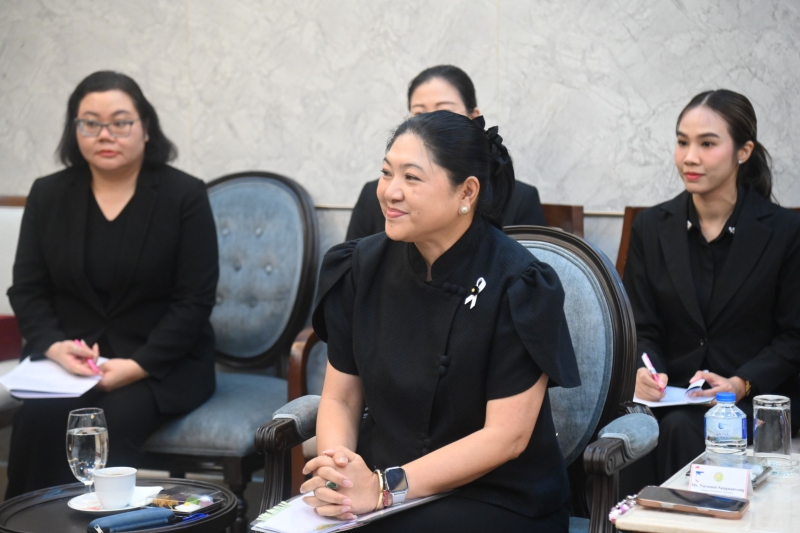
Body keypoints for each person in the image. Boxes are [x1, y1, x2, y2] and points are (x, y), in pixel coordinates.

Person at [301, 110, 580, 531]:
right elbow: (340, 398)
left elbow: (507, 437)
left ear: (467, 191)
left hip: (497, 495)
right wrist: (339, 477)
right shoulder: (361, 267)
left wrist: (383, 489)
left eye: (412, 178)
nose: (391, 191)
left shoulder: (518, 283)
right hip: (379, 482)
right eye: (386, 173)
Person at [5, 71, 219, 498]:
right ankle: (28, 523)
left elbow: (194, 301)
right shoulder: (48, 195)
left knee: (106, 425)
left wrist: (137, 366)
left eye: (120, 122)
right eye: (90, 123)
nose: (105, 134)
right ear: (75, 129)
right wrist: (55, 347)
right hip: (69, 366)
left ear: (145, 127)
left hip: (159, 367)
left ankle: (104, 523)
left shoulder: (184, 195)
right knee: (36, 422)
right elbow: (27, 290)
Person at [622, 89, 800, 490]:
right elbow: (640, 326)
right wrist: (645, 370)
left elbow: (793, 337)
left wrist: (741, 383)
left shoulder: (784, 232)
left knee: (681, 429)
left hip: (751, 403)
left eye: (707, 144)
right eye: (682, 142)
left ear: (743, 151)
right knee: (635, 427)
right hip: (672, 397)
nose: (690, 157)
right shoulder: (651, 228)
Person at [345, 65, 546, 241]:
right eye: (419, 114)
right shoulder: (376, 195)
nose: (431, 123)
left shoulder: (520, 199)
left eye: (446, 112)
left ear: (474, 118)